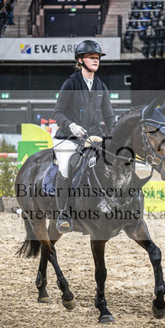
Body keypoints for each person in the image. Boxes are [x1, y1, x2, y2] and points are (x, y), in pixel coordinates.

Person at [53, 40, 115, 233]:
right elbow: (58, 112)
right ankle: (63, 214)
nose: (96, 61)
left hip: (93, 138)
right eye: (91, 57)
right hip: (68, 138)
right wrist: (71, 126)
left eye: (98, 58)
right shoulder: (70, 84)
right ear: (80, 60)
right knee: (66, 166)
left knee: (111, 163)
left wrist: (114, 135)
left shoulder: (101, 87)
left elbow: (109, 117)